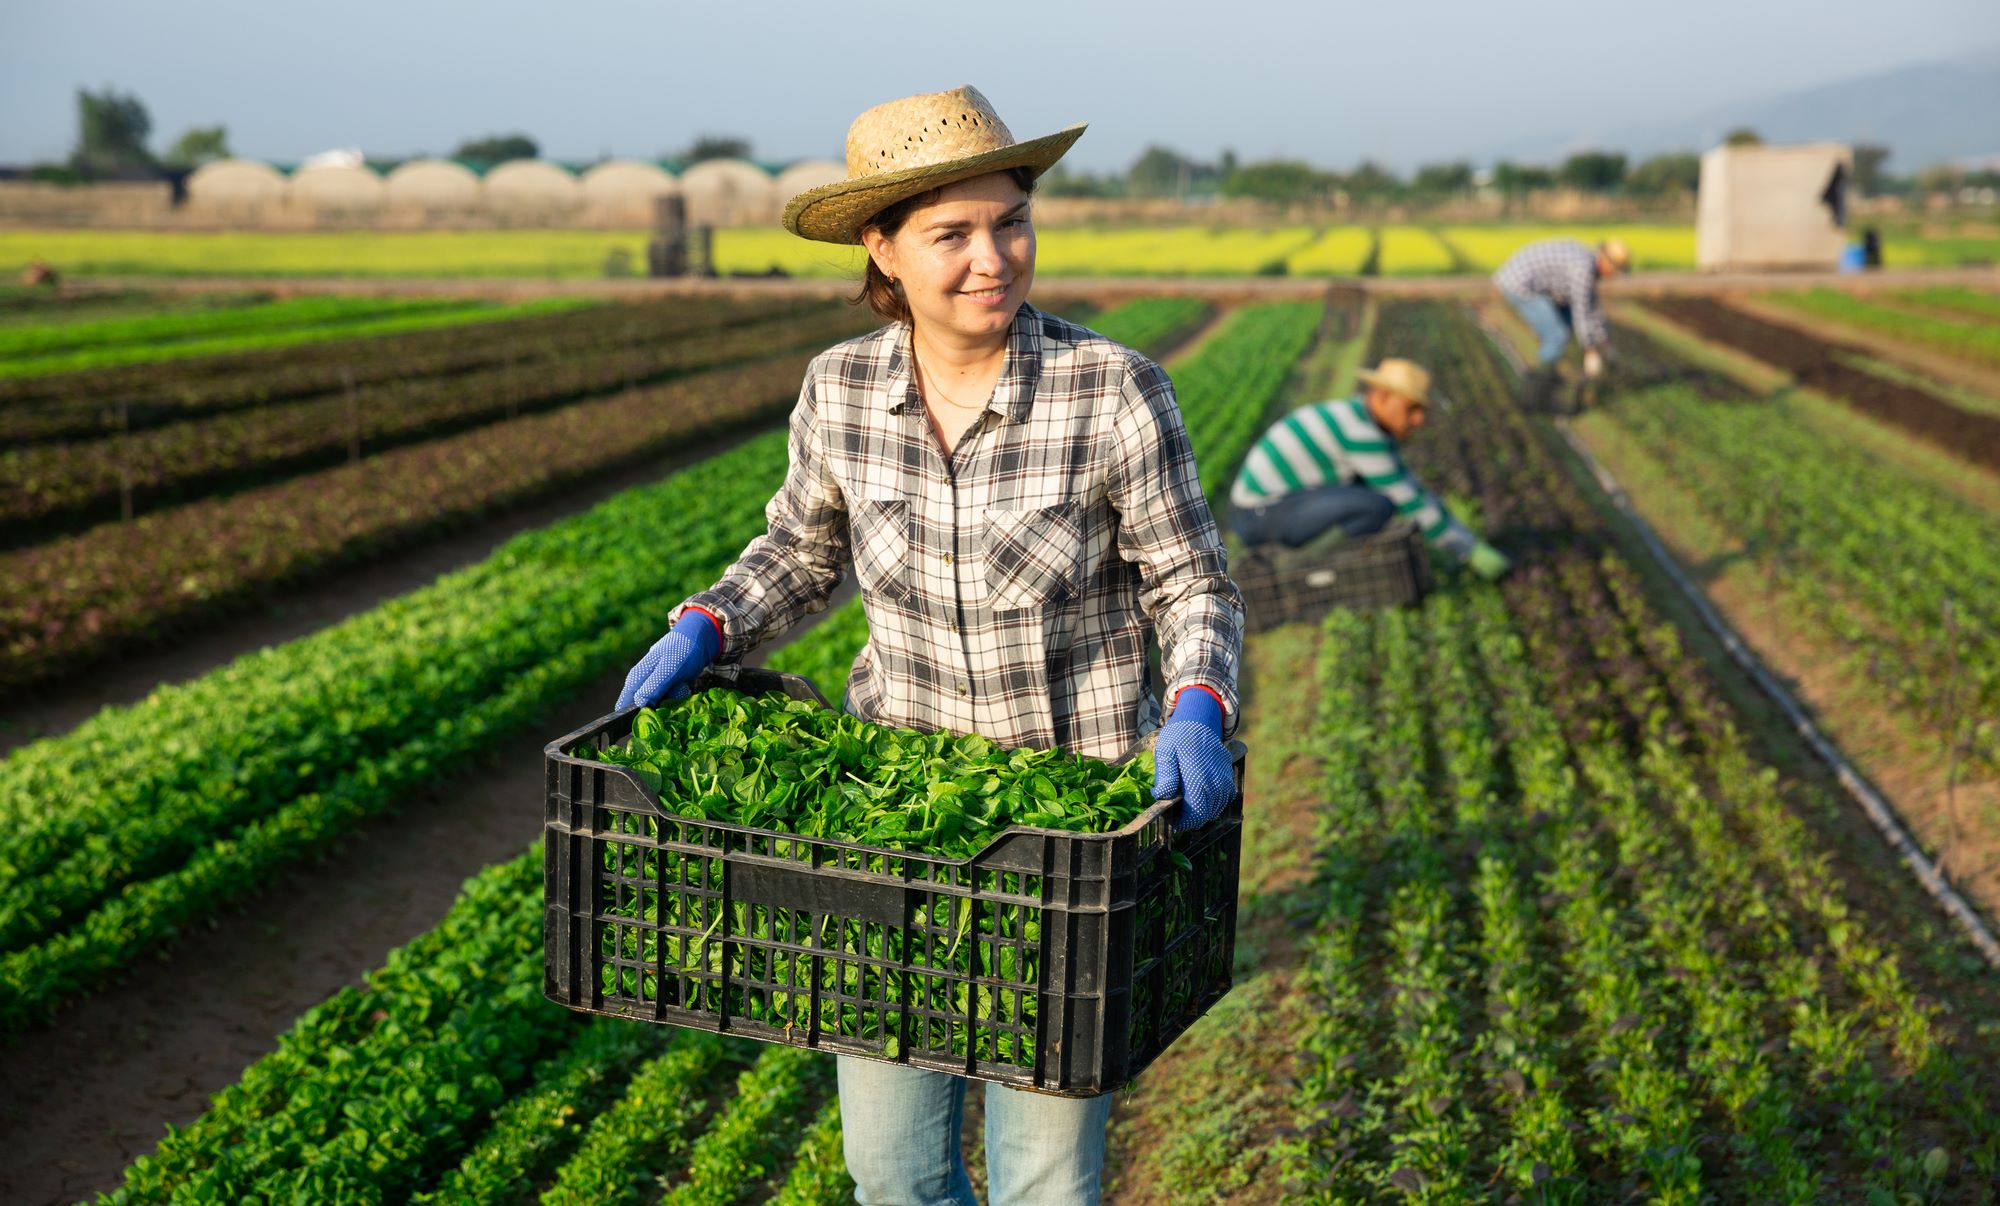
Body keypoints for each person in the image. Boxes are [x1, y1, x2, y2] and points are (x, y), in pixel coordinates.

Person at [614, 85, 1243, 1205]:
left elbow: (1190, 577)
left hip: (1069, 836)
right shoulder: (841, 388)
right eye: (949, 235)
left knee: (1044, 1179)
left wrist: (1196, 696)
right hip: (891, 835)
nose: (991, 258)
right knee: (890, 1175)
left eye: (1010, 222)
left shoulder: (1111, 389)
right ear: (883, 249)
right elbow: (800, 553)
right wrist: (710, 620)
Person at [1226, 357, 1512, 581]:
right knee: (1377, 506)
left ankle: (1319, 564)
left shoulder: (1357, 416)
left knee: (1372, 494)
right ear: (1383, 396)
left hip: (1265, 507)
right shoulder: (1361, 433)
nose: (1419, 419)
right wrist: (1469, 550)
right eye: (1411, 408)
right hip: (1258, 514)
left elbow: (1409, 486)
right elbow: (1409, 500)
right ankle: (1307, 570)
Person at [1493, 236, 1630, 409]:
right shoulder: (1583, 269)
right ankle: (1535, 397)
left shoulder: (1587, 264)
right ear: (1607, 263)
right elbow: (1581, 312)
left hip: (1537, 285)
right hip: (1520, 284)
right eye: (1616, 271)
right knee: (1556, 334)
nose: (1614, 277)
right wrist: (1590, 351)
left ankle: (1548, 380)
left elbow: (1592, 309)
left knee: (1563, 326)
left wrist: (1605, 344)